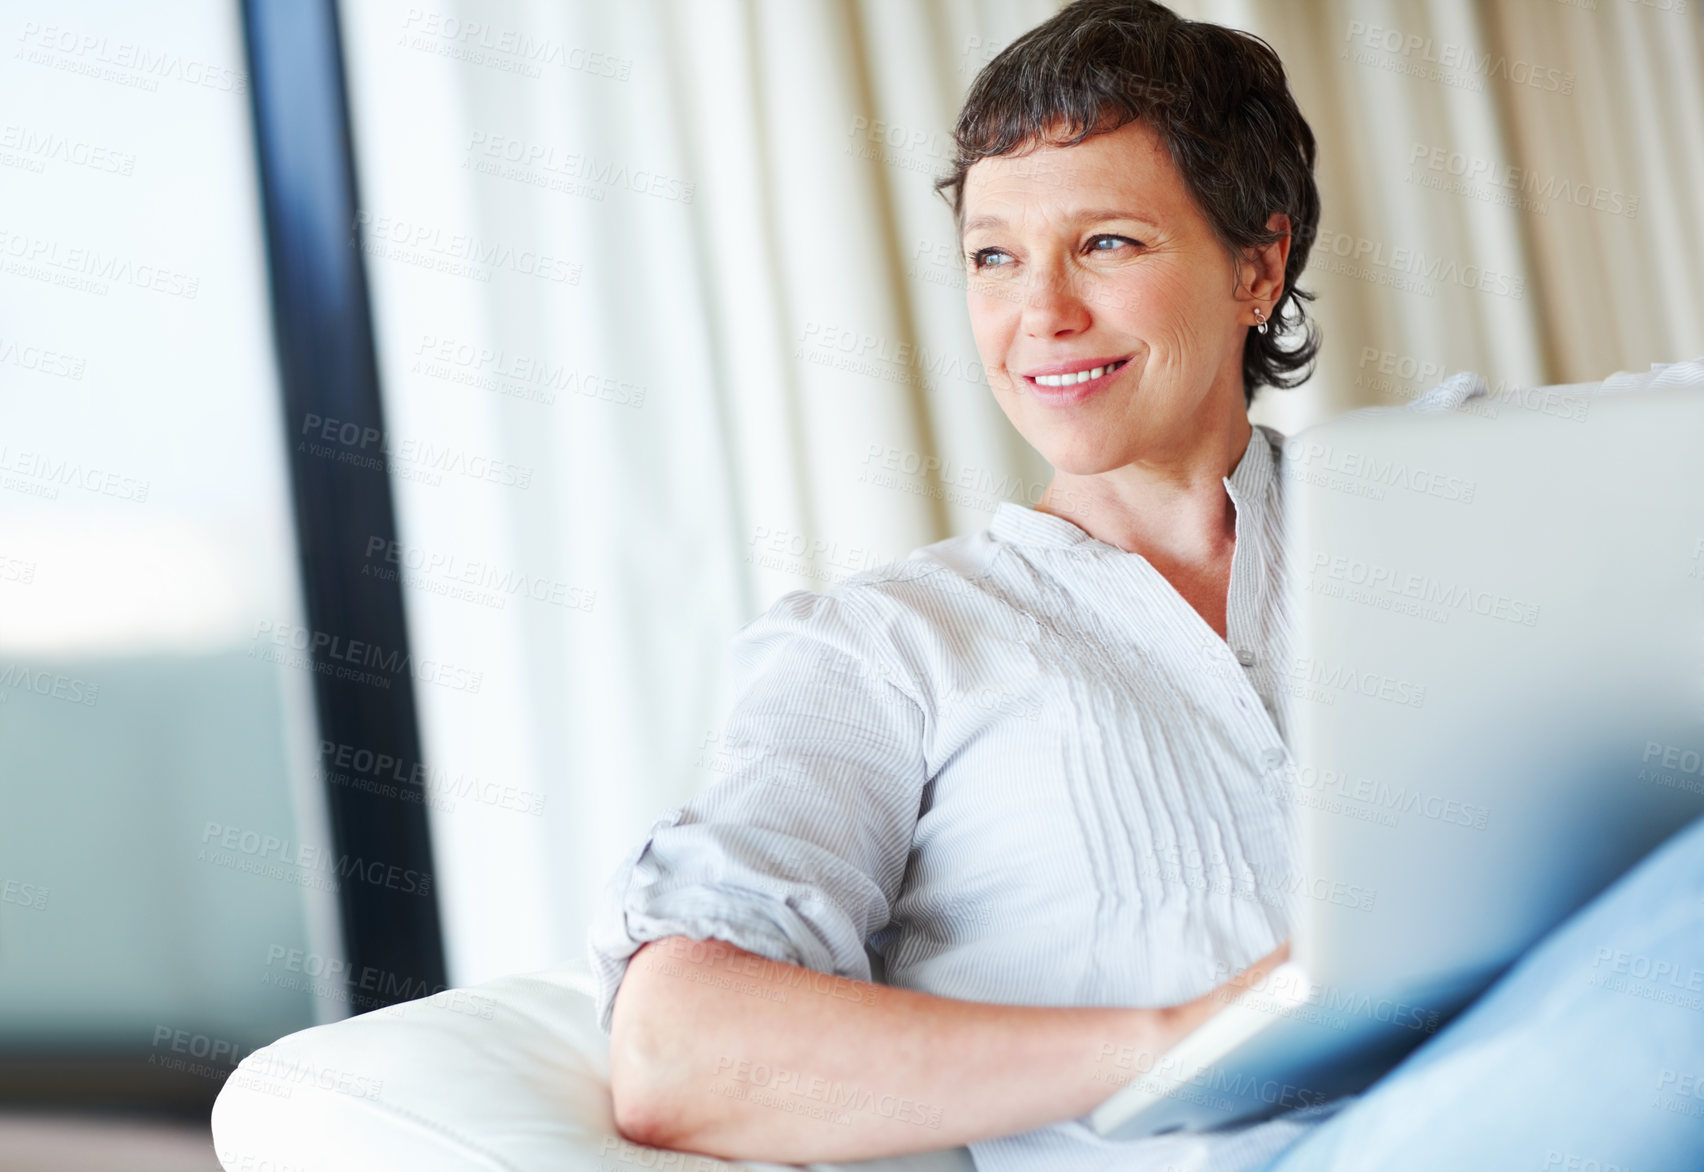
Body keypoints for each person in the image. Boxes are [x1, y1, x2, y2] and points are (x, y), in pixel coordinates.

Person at [588, 3, 1704, 1170]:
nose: (1041, 313)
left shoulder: (1445, 494)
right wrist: (1183, 1038)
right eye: (994, 257)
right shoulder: (884, 645)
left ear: (1257, 267)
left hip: (1543, 1086)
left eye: (1107, 243)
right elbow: (679, 1052)